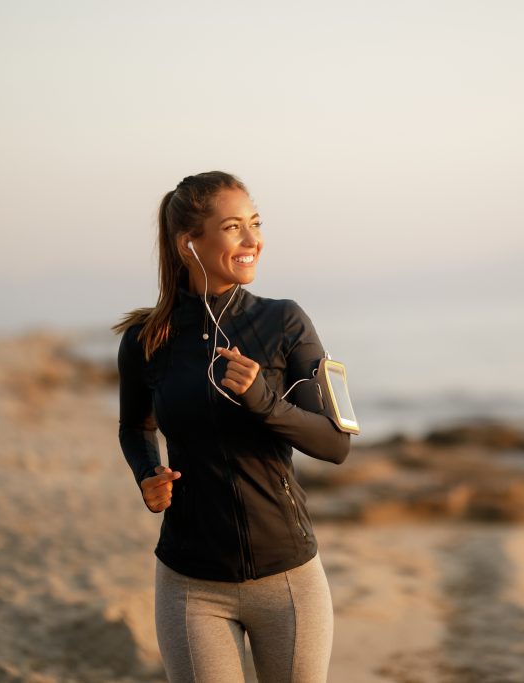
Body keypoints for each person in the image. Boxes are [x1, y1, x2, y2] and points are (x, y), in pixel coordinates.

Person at [112, 171, 352, 682]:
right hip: (190, 583)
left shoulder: (285, 322)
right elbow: (135, 426)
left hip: (288, 578)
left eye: (255, 224)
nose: (252, 241)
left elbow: (334, 444)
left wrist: (261, 400)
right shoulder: (146, 340)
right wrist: (148, 474)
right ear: (189, 244)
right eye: (233, 227)